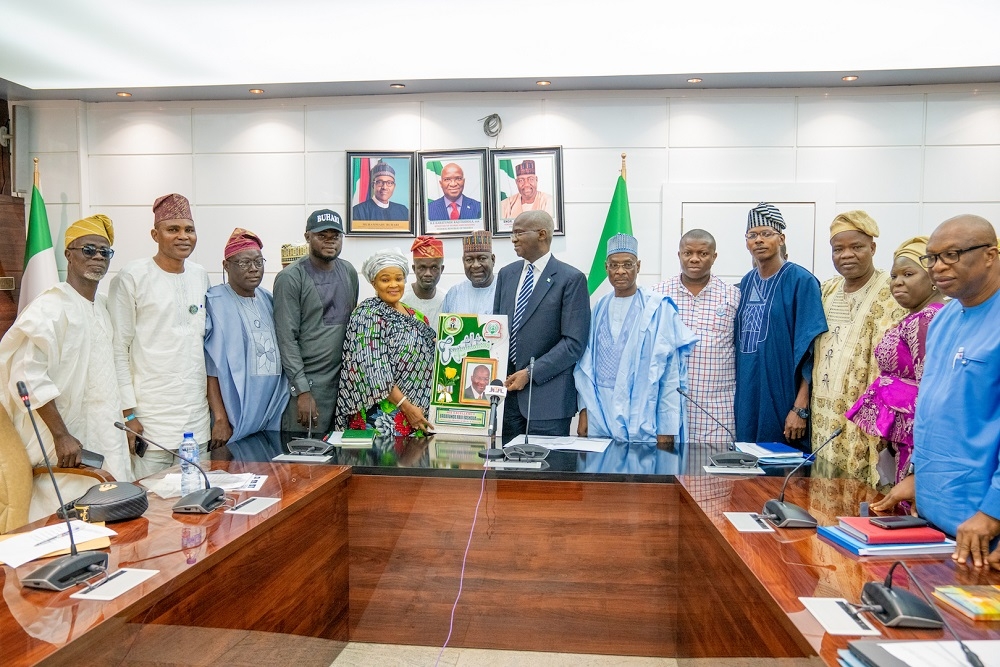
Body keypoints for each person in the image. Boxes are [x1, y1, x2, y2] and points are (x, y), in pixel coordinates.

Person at [0, 215, 133, 516]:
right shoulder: (50, 307)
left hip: (103, 438)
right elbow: (27, 376)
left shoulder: (102, 309)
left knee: (112, 524)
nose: (98, 257)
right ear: (68, 254)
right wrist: (61, 435)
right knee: (62, 528)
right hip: (64, 443)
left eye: (105, 252)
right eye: (88, 249)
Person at [909, 215, 1000, 570]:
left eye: (952, 255)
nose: (937, 267)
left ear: (990, 255)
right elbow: (937, 410)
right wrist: (917, 477)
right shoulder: (944, 318)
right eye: (931, 257)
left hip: (983, 531)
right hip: (934, 519)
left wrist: (993, 511)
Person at [109, 194, 212, 477]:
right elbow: (118, 350)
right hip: (151, 423)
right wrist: (129, 414)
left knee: (197, 505)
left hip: (196, 423)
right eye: (173, 229)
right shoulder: (132, 276)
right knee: (151, 511)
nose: (183, 237)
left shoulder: (200, 275)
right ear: (155, 234)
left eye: (189, 230)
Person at [847, 237, 944, 509]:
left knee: (908, 509)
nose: (897, 282)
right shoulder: (916, 315)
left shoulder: (927, 319)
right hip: (902, 436)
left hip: (916, 439)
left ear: (933, 277)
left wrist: (917, 464)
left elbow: (928, 388)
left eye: (908, 274)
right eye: (893, 276)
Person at [811, 211, 906, 485]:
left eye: (857, 247)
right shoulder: (826, 290)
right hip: (823, 416)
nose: (847, 255)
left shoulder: (892, 292)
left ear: (873, 248)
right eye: (838, 249)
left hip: (867, 419)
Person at [576, 234, 696, 446]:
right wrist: (585, 411)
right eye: (614, 265)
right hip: (601, 412)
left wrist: (667, 427)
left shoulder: (658, 309)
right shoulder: (599, 308)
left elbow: (671, 374)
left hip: (642, 413)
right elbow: (585, 367)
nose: (620, 271)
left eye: (627, 264)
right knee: (601, 476)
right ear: (606, 267)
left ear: (638, 266)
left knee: (640, 475)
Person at [734, 203, 827, 449]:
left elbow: (811, 351)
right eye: (752, 235)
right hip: (748, 398)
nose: (759, 240)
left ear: (781, 238)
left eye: (766, 234)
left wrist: (800, 407)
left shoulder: (801, 281)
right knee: (747, 470)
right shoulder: (746, 283)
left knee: (782, 473)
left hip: (784, 397)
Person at [493, 210, 590, 444]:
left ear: (542, 234)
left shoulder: (571, 279)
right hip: (508, 398)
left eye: (518, 233)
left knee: (546, 475)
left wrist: (529, 374)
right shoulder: (507, 274)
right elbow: (497, 330)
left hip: (549, 401)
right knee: (507, 474)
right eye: (512, 234)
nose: (513, 239)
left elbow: (573, 343)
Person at [653, 229, 740, 449]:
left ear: (714, 256)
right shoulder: (658, 295)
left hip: (717, 410)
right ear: (679, 254)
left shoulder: (732, 295)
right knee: (669, 475)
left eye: (702, 253)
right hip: (670, 408)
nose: (694, 258)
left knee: (716, 478)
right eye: (688, 253)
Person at [334, 249, 437, 437]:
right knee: (381, 464)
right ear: (374, 282)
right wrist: (406, 407)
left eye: (398, 278)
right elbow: (374, 372)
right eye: (385, 279)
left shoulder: (417, 317)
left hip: (418, 413)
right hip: (381, 417)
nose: (393, 285)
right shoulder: (367, 315)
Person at [274, 209, 359, 435]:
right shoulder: (291, 278)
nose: (330, 241)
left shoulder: (349, 271)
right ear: (307, 237)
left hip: (343, 385)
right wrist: (301, 391)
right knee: (304, 460)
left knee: (339, 457)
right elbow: (286, 338)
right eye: (323, 236)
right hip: (309, 388)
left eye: (336, 236)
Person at [204, 228, 289, 448]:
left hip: (269, 414)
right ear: (226, 266)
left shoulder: (268, 299)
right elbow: (210, 370)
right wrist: (221, 418)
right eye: (244, 263)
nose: (253, 269)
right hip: (234, 416)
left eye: (259, 262)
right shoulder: (215, 302)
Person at [441, 230, 496, 315]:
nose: (476, 265)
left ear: (493, 259)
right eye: (469, 260)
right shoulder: (455, 293)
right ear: (463, 261)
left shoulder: (503, 290)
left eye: (482, 258)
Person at [404, 236, 446, 329]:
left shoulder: (446, 300)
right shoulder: (400, 298)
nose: (428, 274)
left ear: (441, 269)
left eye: (434, 268)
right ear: (414, 269)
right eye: (422, 268)